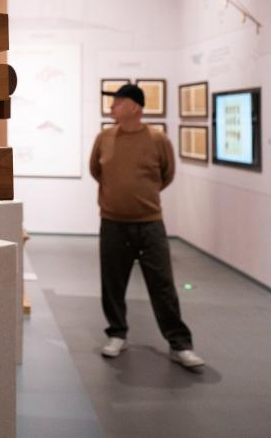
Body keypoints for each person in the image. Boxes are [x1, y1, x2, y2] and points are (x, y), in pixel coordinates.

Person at [89, 83, 204, 369]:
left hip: (149, 223)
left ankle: (180, 344)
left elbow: (167, 174)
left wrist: (142, 197)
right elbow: (96, 171)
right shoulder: (104, 138)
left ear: (134, 107)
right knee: (112, 282)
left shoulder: (157, 139)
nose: (112, 107)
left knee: (162, 284)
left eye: (118, 102)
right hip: (113, 222)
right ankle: (117, 333)